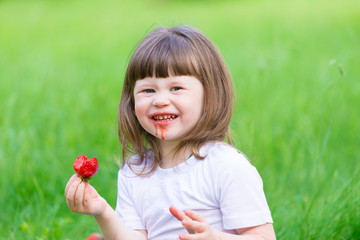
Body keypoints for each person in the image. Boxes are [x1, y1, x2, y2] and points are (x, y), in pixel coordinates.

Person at [65, 25, 276, 240]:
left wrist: (215, 237)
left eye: (176, 88)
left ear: (209, 96)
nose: (160, 100)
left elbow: (264, 237)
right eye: (148, 90)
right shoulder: (135, 172)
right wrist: (102, 211)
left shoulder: (225, 165)